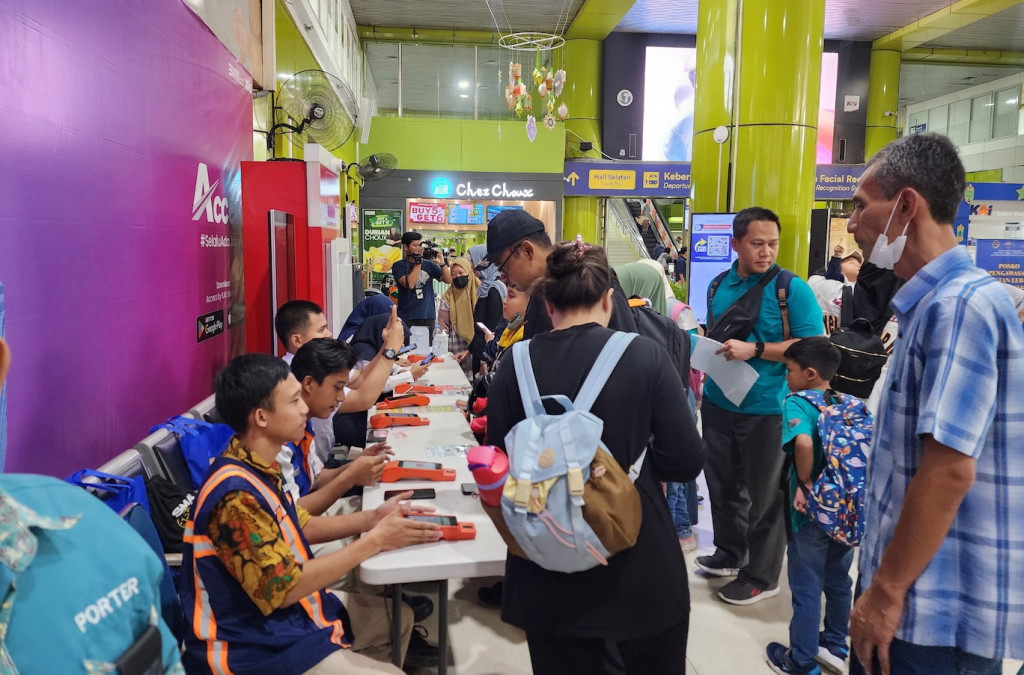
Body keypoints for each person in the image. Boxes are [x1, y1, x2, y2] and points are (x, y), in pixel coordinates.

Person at [845, 133, 1024, 674]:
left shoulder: (961, 307)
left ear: (905, 205)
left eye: (859, 205)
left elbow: (948, 471)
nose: (851, 224)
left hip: (929, 620)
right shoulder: (929, 307)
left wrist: (884, 592)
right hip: (913, 607)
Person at [485, 242, 705, 674]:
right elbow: (685, 460)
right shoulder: (646, 356)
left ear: (547, 304)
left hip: (545, 569)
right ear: (609, 300)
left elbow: (498, 458)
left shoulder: (515, 364)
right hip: (638, 566)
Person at [180, 353, 443, 674]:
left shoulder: (256, 465)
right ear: (261, 417)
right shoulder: (233, 495)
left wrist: (372, 520)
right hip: (248, 649)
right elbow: (282, 589)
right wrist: (373, 541)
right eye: (293, 402)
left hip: (282, 624)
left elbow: (295, 524)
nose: (304, 408)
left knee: (399, 621)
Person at [696, 206, 825, 605]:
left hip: (769, 409)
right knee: (722, 483)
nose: (766, 251)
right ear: (735, 244)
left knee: (765, 494)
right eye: (756, 243)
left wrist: (756, 349)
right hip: (719, 400)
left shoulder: (791, 289)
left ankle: (762, 575)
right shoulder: (718, 285)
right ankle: (731, 553)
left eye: (772, 243)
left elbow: (812, 347)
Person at [766, 337, 854, 675]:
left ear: (810, 373)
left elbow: (802, 441)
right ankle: (834, 644)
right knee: (838, 580)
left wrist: (805, 482)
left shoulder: (798, 402)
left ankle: (800, 660)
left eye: (789, 370)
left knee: (806, 585)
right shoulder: (846, 401)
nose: (786, 376)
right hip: (844, 511)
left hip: (810, 514)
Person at [485, 209, 637, 338]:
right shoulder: (539, 292)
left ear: (527, 250)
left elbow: (627, 351)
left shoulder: (591, 278)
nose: (503, 277)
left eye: (503, 267)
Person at [390, 231, 452, 345]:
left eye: (420, 245)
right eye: (415, 245)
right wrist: (418, 262)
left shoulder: (429, 265)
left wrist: (442, 264)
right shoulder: (398, 266)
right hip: (407, 316)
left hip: (427, 315)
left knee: (426, 350)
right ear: (405, 247)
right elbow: (410, 284)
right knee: (407, 350)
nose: (419, 249)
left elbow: (449, 280)